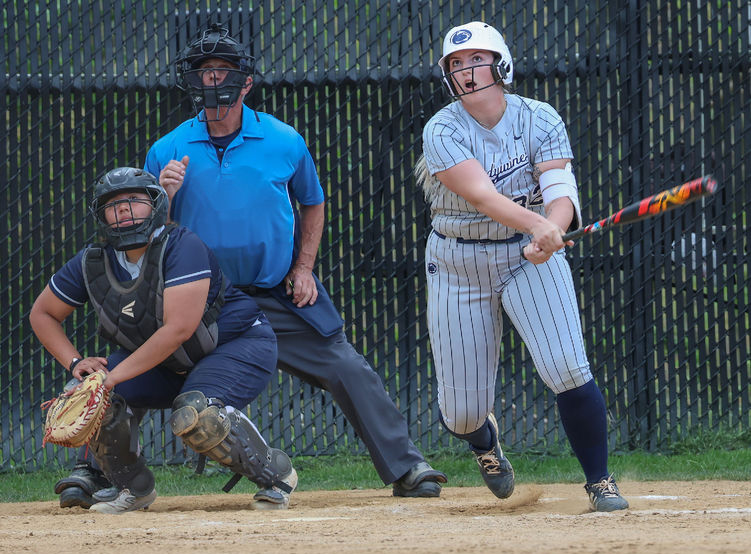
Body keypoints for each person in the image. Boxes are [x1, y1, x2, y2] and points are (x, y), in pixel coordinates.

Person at [143, 23, 447, 497]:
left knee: (347, 366)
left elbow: (313, 202)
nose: (214, 79)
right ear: (194, 81)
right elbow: (144, 233)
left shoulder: (284, 141)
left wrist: (304, 268)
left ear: (246, 82)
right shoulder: (167, 150)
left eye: (224, 70)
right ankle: (96, 471)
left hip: (276, 291)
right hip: (201, 302)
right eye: (205, 72)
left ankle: (407, 467)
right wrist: (162, 194)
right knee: (138, 358)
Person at [414, 21, 629, 512]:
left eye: (476, 60)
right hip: (456, 261)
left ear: (501, 63)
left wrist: (552, 230)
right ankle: (485, 443)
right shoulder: (442, 128)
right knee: (462, 412)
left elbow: (560, 190)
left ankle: (599, 481)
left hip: (526, 259)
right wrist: (539, 225)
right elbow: (483, 196)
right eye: (456, 65)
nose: (467, 72)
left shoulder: (541, 118)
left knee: (566, 367)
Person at [31, 167, 297, 513]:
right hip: (170, 363)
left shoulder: (182, 246)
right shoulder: (92, 262)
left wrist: (112, 376)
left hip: (237, 345)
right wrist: (77, 363)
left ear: (156, 204)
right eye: (112, 204)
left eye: (134, 200)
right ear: (101, 215)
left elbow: (179, 330)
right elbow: (42, 314)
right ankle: (133, 488)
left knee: (197, 413)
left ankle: (275, 475)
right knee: (88, 394)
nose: (123, 209)